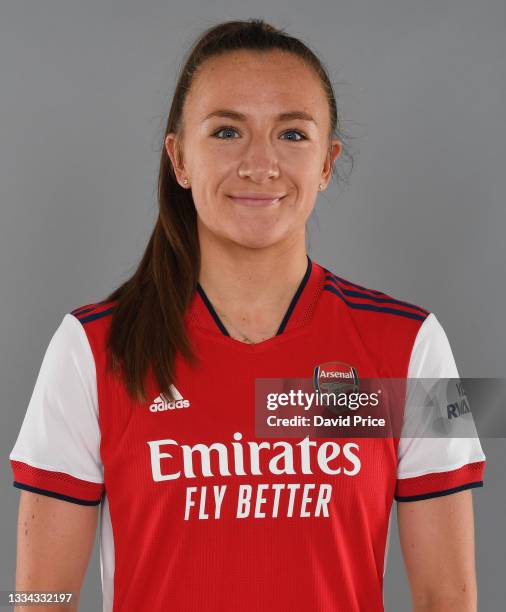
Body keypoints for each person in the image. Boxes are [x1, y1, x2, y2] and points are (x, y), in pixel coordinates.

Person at [9, 18, 486, 612]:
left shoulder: (412, 347)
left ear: (327, 162)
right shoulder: (92, 346)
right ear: (178, 158)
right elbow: (39, 597)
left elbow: (449, 597)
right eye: (227, 131)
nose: (260, 165)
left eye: (292, 135)